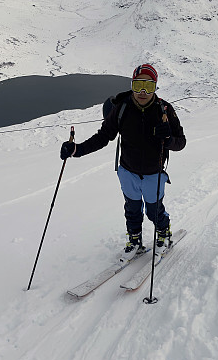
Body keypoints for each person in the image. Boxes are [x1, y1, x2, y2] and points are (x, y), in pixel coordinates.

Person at [60, 64, 186, 262]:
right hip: (128, 171)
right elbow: (103, 137)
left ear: (155, 87)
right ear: (132, 85)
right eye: (138, 85)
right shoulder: (122, 108)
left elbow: (181, 142)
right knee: (132, 209)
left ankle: (164, 233)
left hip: (154, 172)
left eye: (149, 86)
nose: (143, 92)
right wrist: (76, 150)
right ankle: (134, 240)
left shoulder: (165, 110)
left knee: (154, 210)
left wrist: (168, 139)